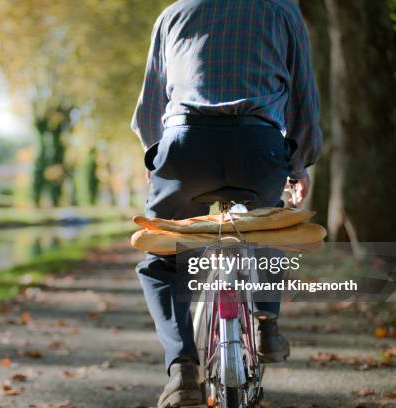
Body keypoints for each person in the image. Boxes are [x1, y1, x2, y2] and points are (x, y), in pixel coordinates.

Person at [131, 0, 322, 407]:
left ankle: (182, 370)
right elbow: (303, 97)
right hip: (258, 146)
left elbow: (149, 109)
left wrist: (157, 157)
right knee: (269, 226)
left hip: (186, 147)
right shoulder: (283, 10)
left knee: (161, 259)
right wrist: (299, 163)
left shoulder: (173, 14)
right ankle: (267, 321)